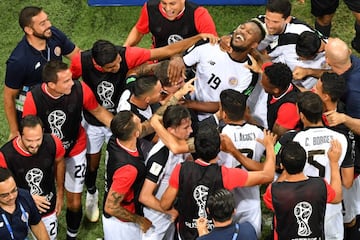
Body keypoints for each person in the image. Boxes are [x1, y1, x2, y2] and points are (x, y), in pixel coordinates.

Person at [69, 35, 218, 223]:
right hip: (128, 149)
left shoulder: (133, 87)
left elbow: (134, 73)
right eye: (160, 93)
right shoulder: (133, 123)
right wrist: (205, 141)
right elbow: (163, 137)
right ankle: (95, 193)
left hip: (124, 134)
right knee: (137, 186)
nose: (162, 94)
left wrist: (162, 67)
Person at [22, 60, 114, 240]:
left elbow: (99, 112)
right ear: (51, 85)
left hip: (74, 148)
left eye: (71, 78)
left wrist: (124, 129)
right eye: (66, 81)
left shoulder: (80, 89)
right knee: (44, 201)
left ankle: (71, 237)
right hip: (45, 154)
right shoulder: (33, 98)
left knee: (74, 201)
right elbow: (28, 136)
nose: (72, 83)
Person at [160, 122, 276, 240]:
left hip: (185, 235)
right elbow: (268, 175)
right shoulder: (226, 174)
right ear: (219, 148)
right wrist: (270, 147)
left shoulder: (181, 169)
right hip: (215, 236)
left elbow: (164, 204)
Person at [281, 91, 353, 239]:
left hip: (303, 208)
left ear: (301, 115)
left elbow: (278, 164)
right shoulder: (342, 139)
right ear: (322, 112)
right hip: (332, 209)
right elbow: (347, 182)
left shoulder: (290, 139)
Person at [4, 6, 80, 140]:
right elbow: (9, 97)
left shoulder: (54, 34)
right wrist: (14, 130)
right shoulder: (19, 60)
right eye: (42, 23)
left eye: (47, 20)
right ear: (29, 30)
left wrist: (69, 81)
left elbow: (77, 57)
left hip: (58, 97)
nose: (49, 25)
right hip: (34, 106)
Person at [169, 19, 266, 121]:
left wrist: (190, 104)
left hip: (212, 119)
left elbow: (227, 106)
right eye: (242, 27)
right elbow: (180, 61)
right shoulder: (211, 46)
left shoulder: (250, 74)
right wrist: (178, 59)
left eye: (249, 32)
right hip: (187, 102)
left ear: (254, 45)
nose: (242, 31)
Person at [0, 115, 65, 240]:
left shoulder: (53, 142)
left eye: (38, 139)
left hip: (46, 204)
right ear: (19, 135)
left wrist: (60, 193)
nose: (34, 145)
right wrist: (25, 196)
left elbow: (60, 162)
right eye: (29, 140)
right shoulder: (5, 155)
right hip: (14, 206)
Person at [263, 141, 343, 240]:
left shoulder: (273, 190)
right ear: (305, 162)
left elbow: (271, 202)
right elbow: (337, 197)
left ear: (282, 165)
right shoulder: (320, 185)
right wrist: (334, 163)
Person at [212, 89, 264, 238]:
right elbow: (275, 151)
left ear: (224, 114)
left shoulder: (219, 134)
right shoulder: (259, 132)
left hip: (224, 201)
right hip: (251, 198)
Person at [139, 105, 193, 240]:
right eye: (186, 128)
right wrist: (169, 211)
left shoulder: (182, 146)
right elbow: (144, 196)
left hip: (170, 214)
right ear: (171, 130)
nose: (191, 131)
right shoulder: (161, 156)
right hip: (154, 221)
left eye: (190, 126)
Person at [102, 110, 152, 240]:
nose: (142, 121)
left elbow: (150, 124)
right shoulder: (128, 170)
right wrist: (139, 220)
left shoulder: (117, 138)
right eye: (139, 121)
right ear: (136, 134)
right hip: (122, 226)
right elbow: (111, 207)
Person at [123, 0, 217, 48]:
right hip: (159, 59)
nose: (168, 9)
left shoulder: (199, 13)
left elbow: (212, 44)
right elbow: (139, 31)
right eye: (164, 3)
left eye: (172, 4)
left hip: (190, 61)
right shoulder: (150, 8)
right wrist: (124, 49)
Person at [0, 167, 50, 240]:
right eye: (5, 195)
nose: (12, 197)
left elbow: (37, 225)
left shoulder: (24, 196)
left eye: (14, 190)